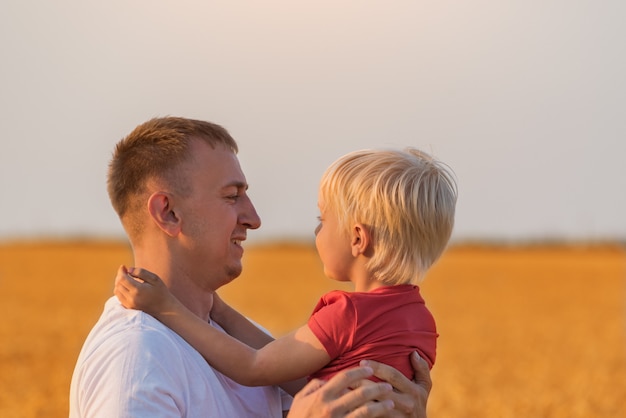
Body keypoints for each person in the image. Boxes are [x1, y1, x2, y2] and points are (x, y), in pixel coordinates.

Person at [69, 116, 433, 418]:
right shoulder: (137, 357)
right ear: (169, 212)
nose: (255, 218)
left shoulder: (240, 341)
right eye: (231, 196)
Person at [115, 147, 455, 393]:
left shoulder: (349, 314)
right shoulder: (418, 318)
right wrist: (217, 308)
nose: (316, 231)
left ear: (357, 238)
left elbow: (256, 367)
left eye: (323, 220)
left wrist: (166, 307)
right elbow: (294, 371)